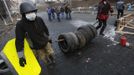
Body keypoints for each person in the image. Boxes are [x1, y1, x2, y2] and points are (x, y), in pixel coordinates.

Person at [15, 2, 55, 67]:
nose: (31, 14)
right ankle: (48, 63)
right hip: (36, 46)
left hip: (45, 42)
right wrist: (20, 57)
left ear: (35, 11)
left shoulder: (39, 19)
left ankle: (52, 59)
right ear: (23, 14)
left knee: (51, 53)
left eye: (32, 12)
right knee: (44, 57)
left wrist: (49, 38)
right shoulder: (20, 25)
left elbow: (45, 29)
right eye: (28, 13)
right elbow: (19, 41)